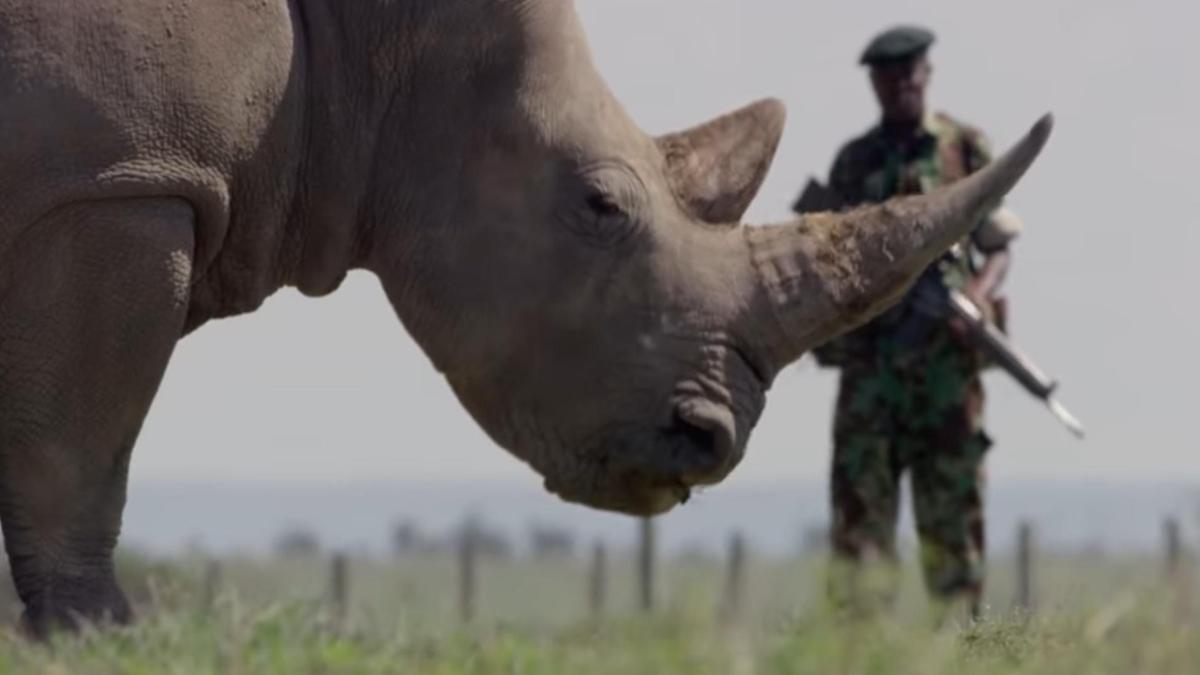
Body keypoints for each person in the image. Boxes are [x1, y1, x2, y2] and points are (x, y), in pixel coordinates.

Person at [801, 25, 1022, 618]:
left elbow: (999, 245)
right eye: (888, 77)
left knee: (953, 554)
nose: (901, 85)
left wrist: (975, 297)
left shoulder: (963, 149)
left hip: (945, 384)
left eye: (910, 73)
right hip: (870, 382)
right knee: (860, 560)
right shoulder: (855, 162)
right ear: (875, 82)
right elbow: (822, 256)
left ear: (926, 74)